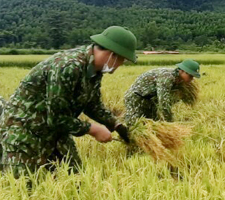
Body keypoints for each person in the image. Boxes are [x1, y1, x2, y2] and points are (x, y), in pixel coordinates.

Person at [0, 26, 137, 178]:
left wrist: (116, 124)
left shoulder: (94, 70)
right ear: (112, 54)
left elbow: (92, 104)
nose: (121, 64)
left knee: (74, 180)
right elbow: (57, 118)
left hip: (55, 130)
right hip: (25, 130)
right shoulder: (69, 66)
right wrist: (93, 129)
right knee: (25, 187)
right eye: (122, 59)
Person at [124, 59, 201, 125]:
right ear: (182, 71)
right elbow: (163, 103)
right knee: (134, 125)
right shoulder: (167, 78)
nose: (192, 79)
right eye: (190, 76)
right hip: (135, 99)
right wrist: (171, 123)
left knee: (153, 125)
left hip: (149, 101)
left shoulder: (178, 80)